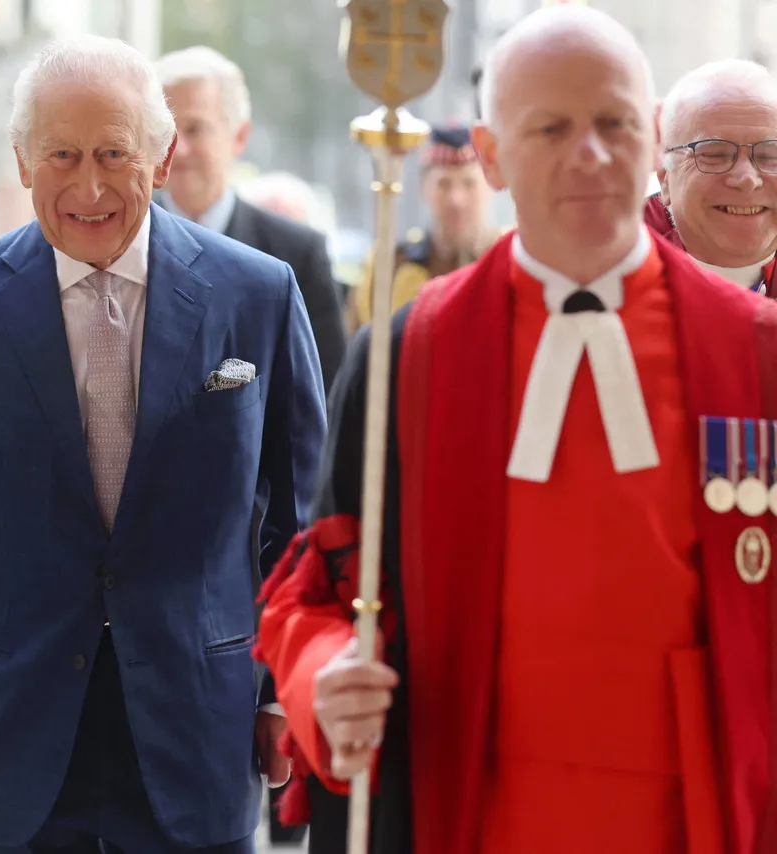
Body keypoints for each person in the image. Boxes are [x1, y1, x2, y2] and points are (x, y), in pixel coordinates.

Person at [254, 7, 776, 854]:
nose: (590, 154)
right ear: (492, 156)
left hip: (694, 821)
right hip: (466, 811)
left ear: (649, 141)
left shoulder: (755, 352)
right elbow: (317, 592)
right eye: (551, 127)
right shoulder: (403, 357)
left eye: (612, 123)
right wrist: (323, 682)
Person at [0, 35, 327, 854]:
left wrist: (284, 692)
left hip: (198, 730)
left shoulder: (258, 293)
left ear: (160, 155)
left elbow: (300, 521)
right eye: (62, 156)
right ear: (22, 162)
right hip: (6, 737)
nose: (89, 185)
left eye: (114, 152)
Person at [154, 45, 346, 394]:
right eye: (166, 132)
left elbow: (324, 394)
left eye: (195, 129)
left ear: (239, 136)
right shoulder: (122, 238)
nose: (176, 149)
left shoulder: (296, 255)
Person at [646, 59, 777, 293]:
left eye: (770, 156)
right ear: (665, 179)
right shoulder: (606, 269)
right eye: (715, 154)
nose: (747, 179)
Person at [353, 124, 500, 329]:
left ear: (490, 187)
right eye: (444, 184)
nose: (456, 199)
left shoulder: (506, 258)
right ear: (424, 188)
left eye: (469, 184)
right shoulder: (391, 265)